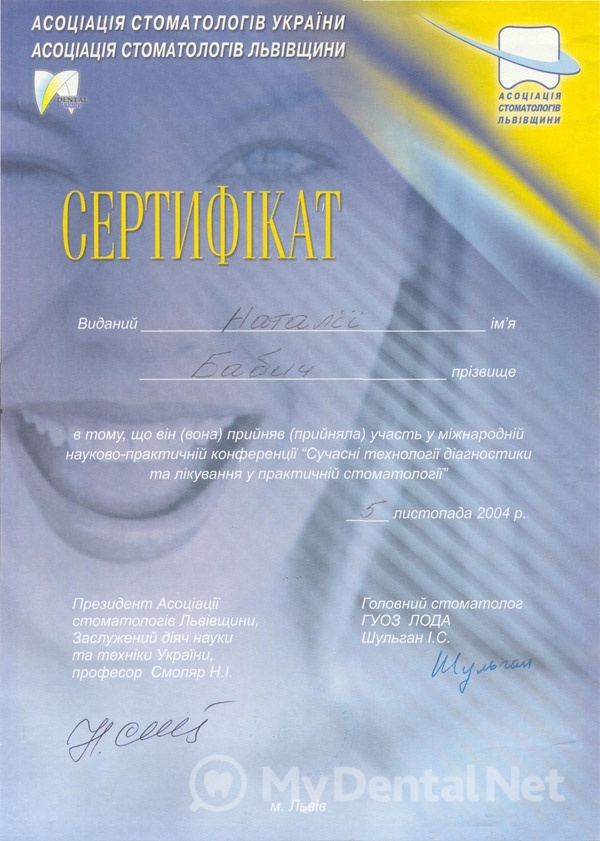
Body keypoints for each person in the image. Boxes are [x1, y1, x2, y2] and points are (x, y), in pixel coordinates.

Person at [2, 1, 598, 839]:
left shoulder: (547, 787)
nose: (149, 322)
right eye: (18, 164)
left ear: (414, 227)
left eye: (273, 163)